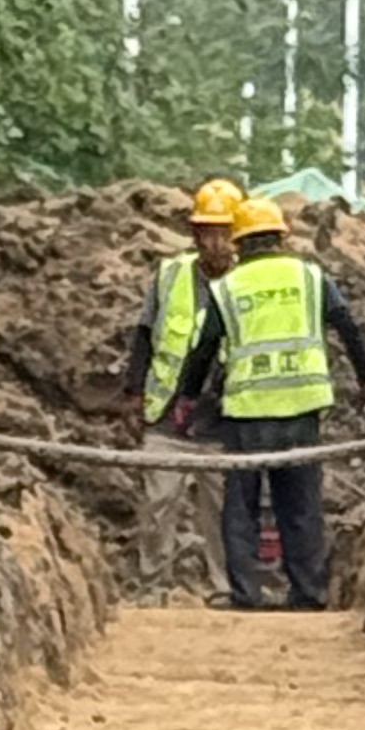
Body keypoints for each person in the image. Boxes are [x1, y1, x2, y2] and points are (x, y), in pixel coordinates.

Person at [177, 197, 365, 615]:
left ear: (240, 243)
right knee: (301, 504)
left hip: (248, 410)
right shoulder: (310, 277)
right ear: (282, 238)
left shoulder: (226, 288)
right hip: (303, 406)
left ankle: (246, 594)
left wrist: (188, 397)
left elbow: (203, 349)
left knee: (241, 506)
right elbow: (348, 326)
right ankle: (308, 593)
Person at [119, 179, 244, 602]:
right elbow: (143, 335)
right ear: (194, 234)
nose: (215, 242)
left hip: (224, 418)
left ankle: (224, 587)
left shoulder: (249, 282)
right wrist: (134, 394)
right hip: (167, 412)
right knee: (158, 504)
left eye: (223, 232)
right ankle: (152, 584)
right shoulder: (170, 275)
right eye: (207, 232)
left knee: (224, 510)